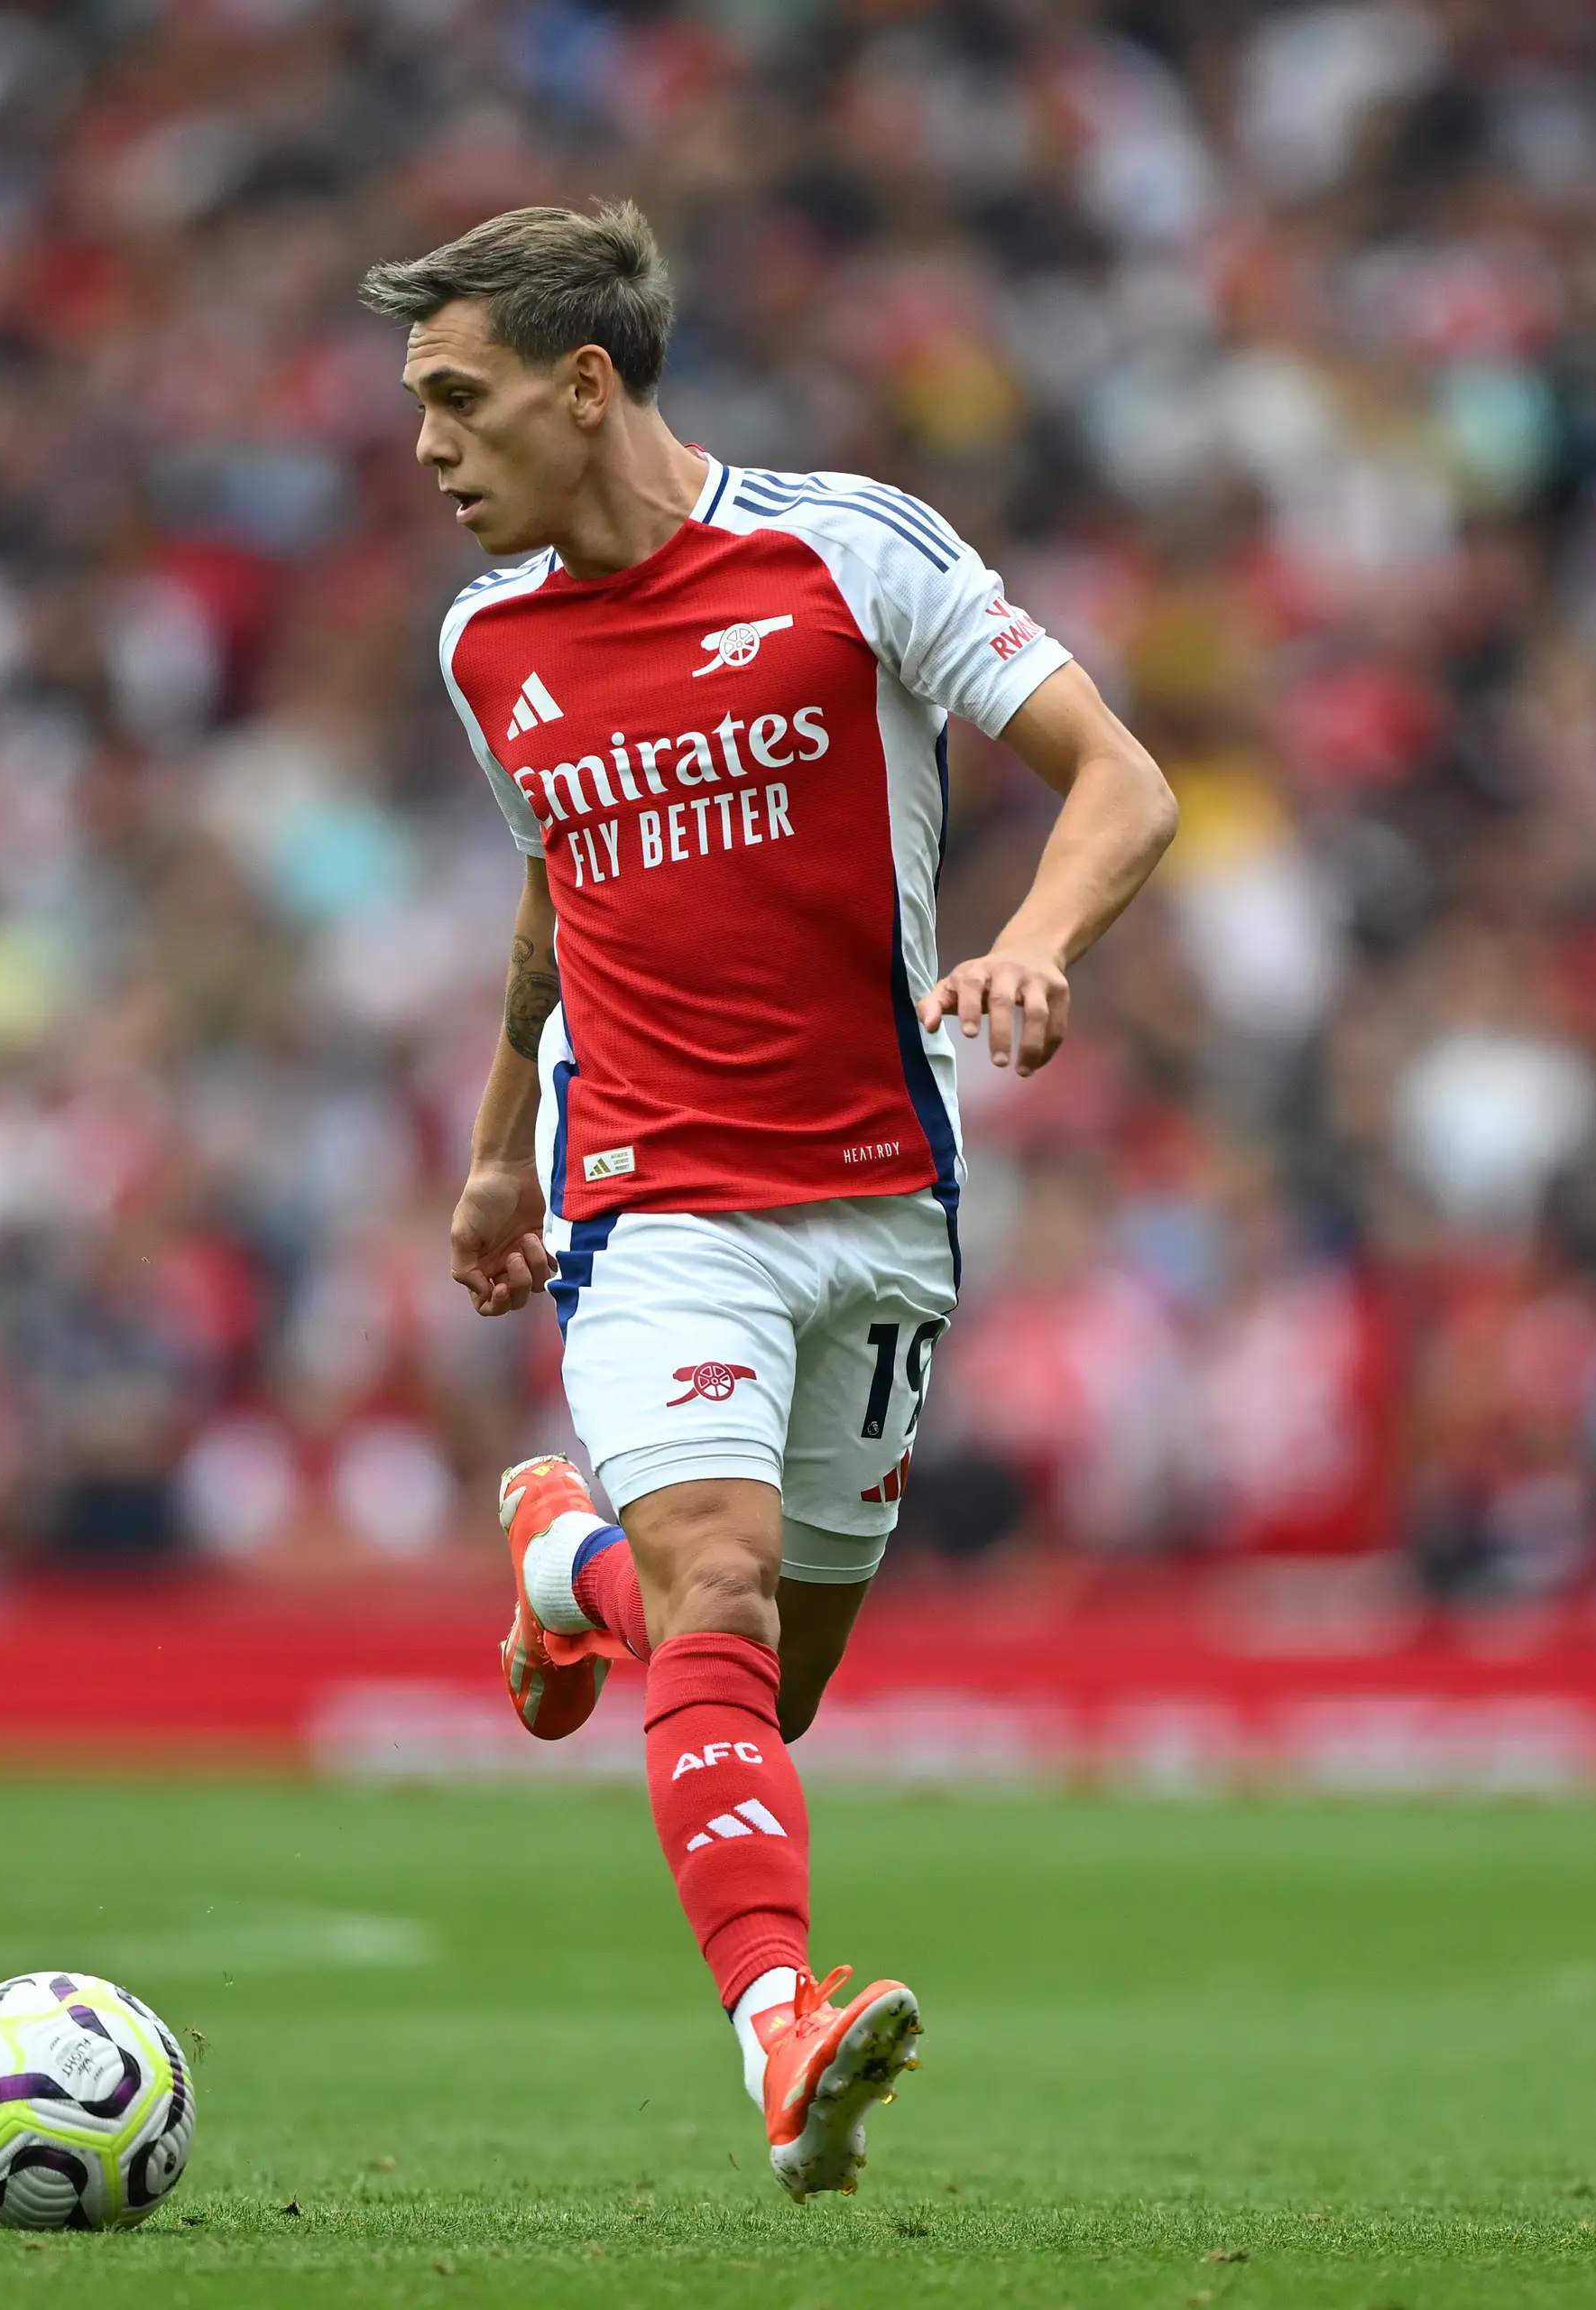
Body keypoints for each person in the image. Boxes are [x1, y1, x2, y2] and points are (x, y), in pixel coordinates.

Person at [362, 203, 1180, 2197]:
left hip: (884, 1192)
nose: (426, 450)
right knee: (720, 1584)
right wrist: (493, 1143)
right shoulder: (489, 645)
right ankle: (781, 2030)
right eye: (414, 411)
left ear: (583, 385)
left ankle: (569, 1568)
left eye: (456, 401)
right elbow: (561, 885)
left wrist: (1039, 942)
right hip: (650, 1191)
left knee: (762, 1677)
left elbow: (1125, 782)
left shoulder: (848, 549)